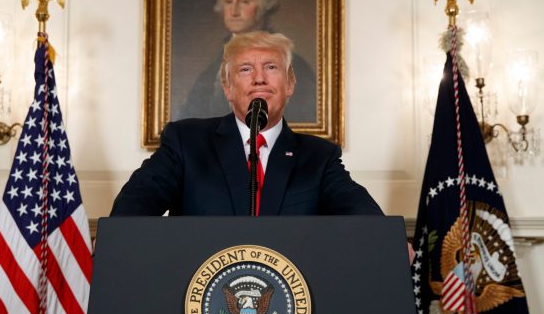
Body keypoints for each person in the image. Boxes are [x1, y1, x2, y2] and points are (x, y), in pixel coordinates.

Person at [111, 31, 382, 217]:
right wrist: (120, 240)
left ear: (290, 84)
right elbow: (137, 202)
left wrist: (387, 240)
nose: (259, 78)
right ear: (227, 88)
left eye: (271, 67)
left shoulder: (319, 157)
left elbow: (359, 211)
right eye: (245, 69)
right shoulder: (186, 142)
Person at [176, 0, 316, 122]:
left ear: (264, 6)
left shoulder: (291, 63)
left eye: (244, 2)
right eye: (229, 1)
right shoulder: (215, 66)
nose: (234, 10)